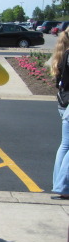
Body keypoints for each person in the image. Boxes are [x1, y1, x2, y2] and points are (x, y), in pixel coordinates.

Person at [51, 27, 69, 200]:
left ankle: (59, 184)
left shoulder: (63, 54)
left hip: (64, 103)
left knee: (65, 146)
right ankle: (63, 186)